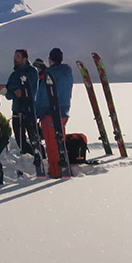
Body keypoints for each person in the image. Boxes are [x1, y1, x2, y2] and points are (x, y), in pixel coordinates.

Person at [0, 49, 44, 175]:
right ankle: (28, 160)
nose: (15, 58)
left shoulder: (31, 71)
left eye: (17, 56)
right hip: (16, 109)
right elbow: (11, 94)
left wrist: (12, 90)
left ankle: (42, 158)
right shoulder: (14, 74)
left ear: (24, 58)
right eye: (14, 56)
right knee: (20, 140)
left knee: (33, 137)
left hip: (28, 109)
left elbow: (29, 89)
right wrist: (10, 91)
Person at [34, 48, 74, 178]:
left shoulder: (49, 75)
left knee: (52, 146)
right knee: (60, 142)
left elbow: (43, 96)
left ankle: (56, 172)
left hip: (50, 113)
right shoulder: (67, 73)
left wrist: (37, 113)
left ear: (50, 60)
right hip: (64, 111)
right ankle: (63, 168)